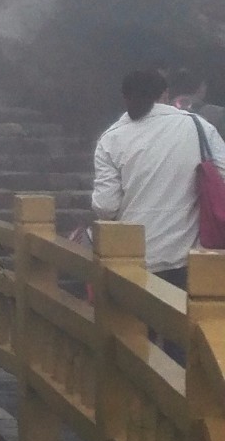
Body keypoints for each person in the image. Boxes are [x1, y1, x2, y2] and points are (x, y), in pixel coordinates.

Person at [93, 65, 225, 298]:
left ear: (124, 98)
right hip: (191, 258)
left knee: (139, 330)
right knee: (188, 328)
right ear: (165, 94)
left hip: (136, 259)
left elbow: (106, 206)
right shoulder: (198, 126)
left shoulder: (111, 139)